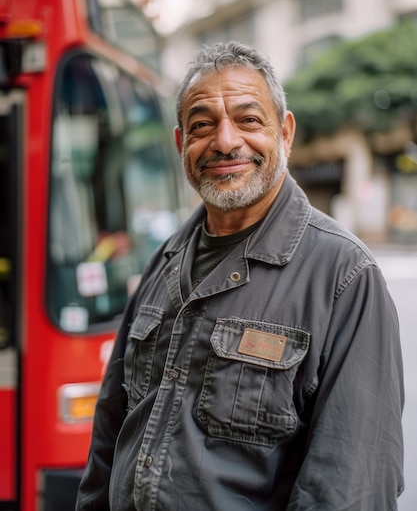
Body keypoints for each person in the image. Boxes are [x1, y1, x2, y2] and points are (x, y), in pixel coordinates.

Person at [76, 41, 404, 511]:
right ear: (181, 144)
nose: (225, 141)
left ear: (285, 134)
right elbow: (110, 435)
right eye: (202, 125)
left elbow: (351, 488)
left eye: (249, 120)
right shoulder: (164, 261)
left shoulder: (344, 276)